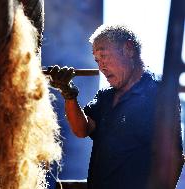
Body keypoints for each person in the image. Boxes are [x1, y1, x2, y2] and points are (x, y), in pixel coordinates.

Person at [47, 24, 184, 189]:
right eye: (97, 60)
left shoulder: (159, 93)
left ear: (129, 49)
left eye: (104, 56)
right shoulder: (106, 96)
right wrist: (68, 93)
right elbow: (82, 129)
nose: (101, 66)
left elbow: (174, 158)